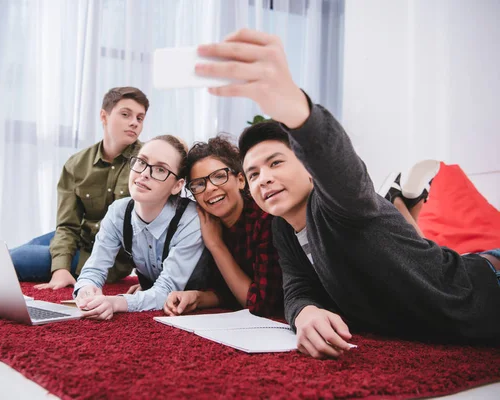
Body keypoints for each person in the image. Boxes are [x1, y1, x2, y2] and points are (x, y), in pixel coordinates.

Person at [195, 28, 500, 359]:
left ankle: (401, 200)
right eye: (253, 174)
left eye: (276, 163)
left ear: (310, 170)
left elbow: (337, 163)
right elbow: (296, 288)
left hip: (484, 290)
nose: (264, 178)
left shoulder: (339, 203)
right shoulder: (282, 227)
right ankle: (403, 201)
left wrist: (294, 108)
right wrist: (304, 312)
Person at [10, 87, 148, 290]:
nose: (134, 122)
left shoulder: (147, 162)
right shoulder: (77, 164)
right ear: (104, 116)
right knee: (8, 255)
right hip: (79, 239)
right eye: (125, 114)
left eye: (140, 117)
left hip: (105, 258)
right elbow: (67, 225)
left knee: (15, 259)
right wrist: (60, 269)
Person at [74, 135, 208, 319]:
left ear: (177, 186)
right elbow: (94, 269)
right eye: (141, 162)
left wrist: (116, 302)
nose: (144, 173)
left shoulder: (191, 219)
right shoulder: (118, 212)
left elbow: (166, 291)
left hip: (209, 292)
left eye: (160, 169)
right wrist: (86, 291)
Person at [163, 137, 283, 317]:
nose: (209, 188)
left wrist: (216, 245)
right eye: (199, 184)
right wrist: (197, 297)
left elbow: (261, 305)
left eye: (219, 176)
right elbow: (228, 291)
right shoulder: (208, 223)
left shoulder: (266, 219)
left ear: (241, 180)